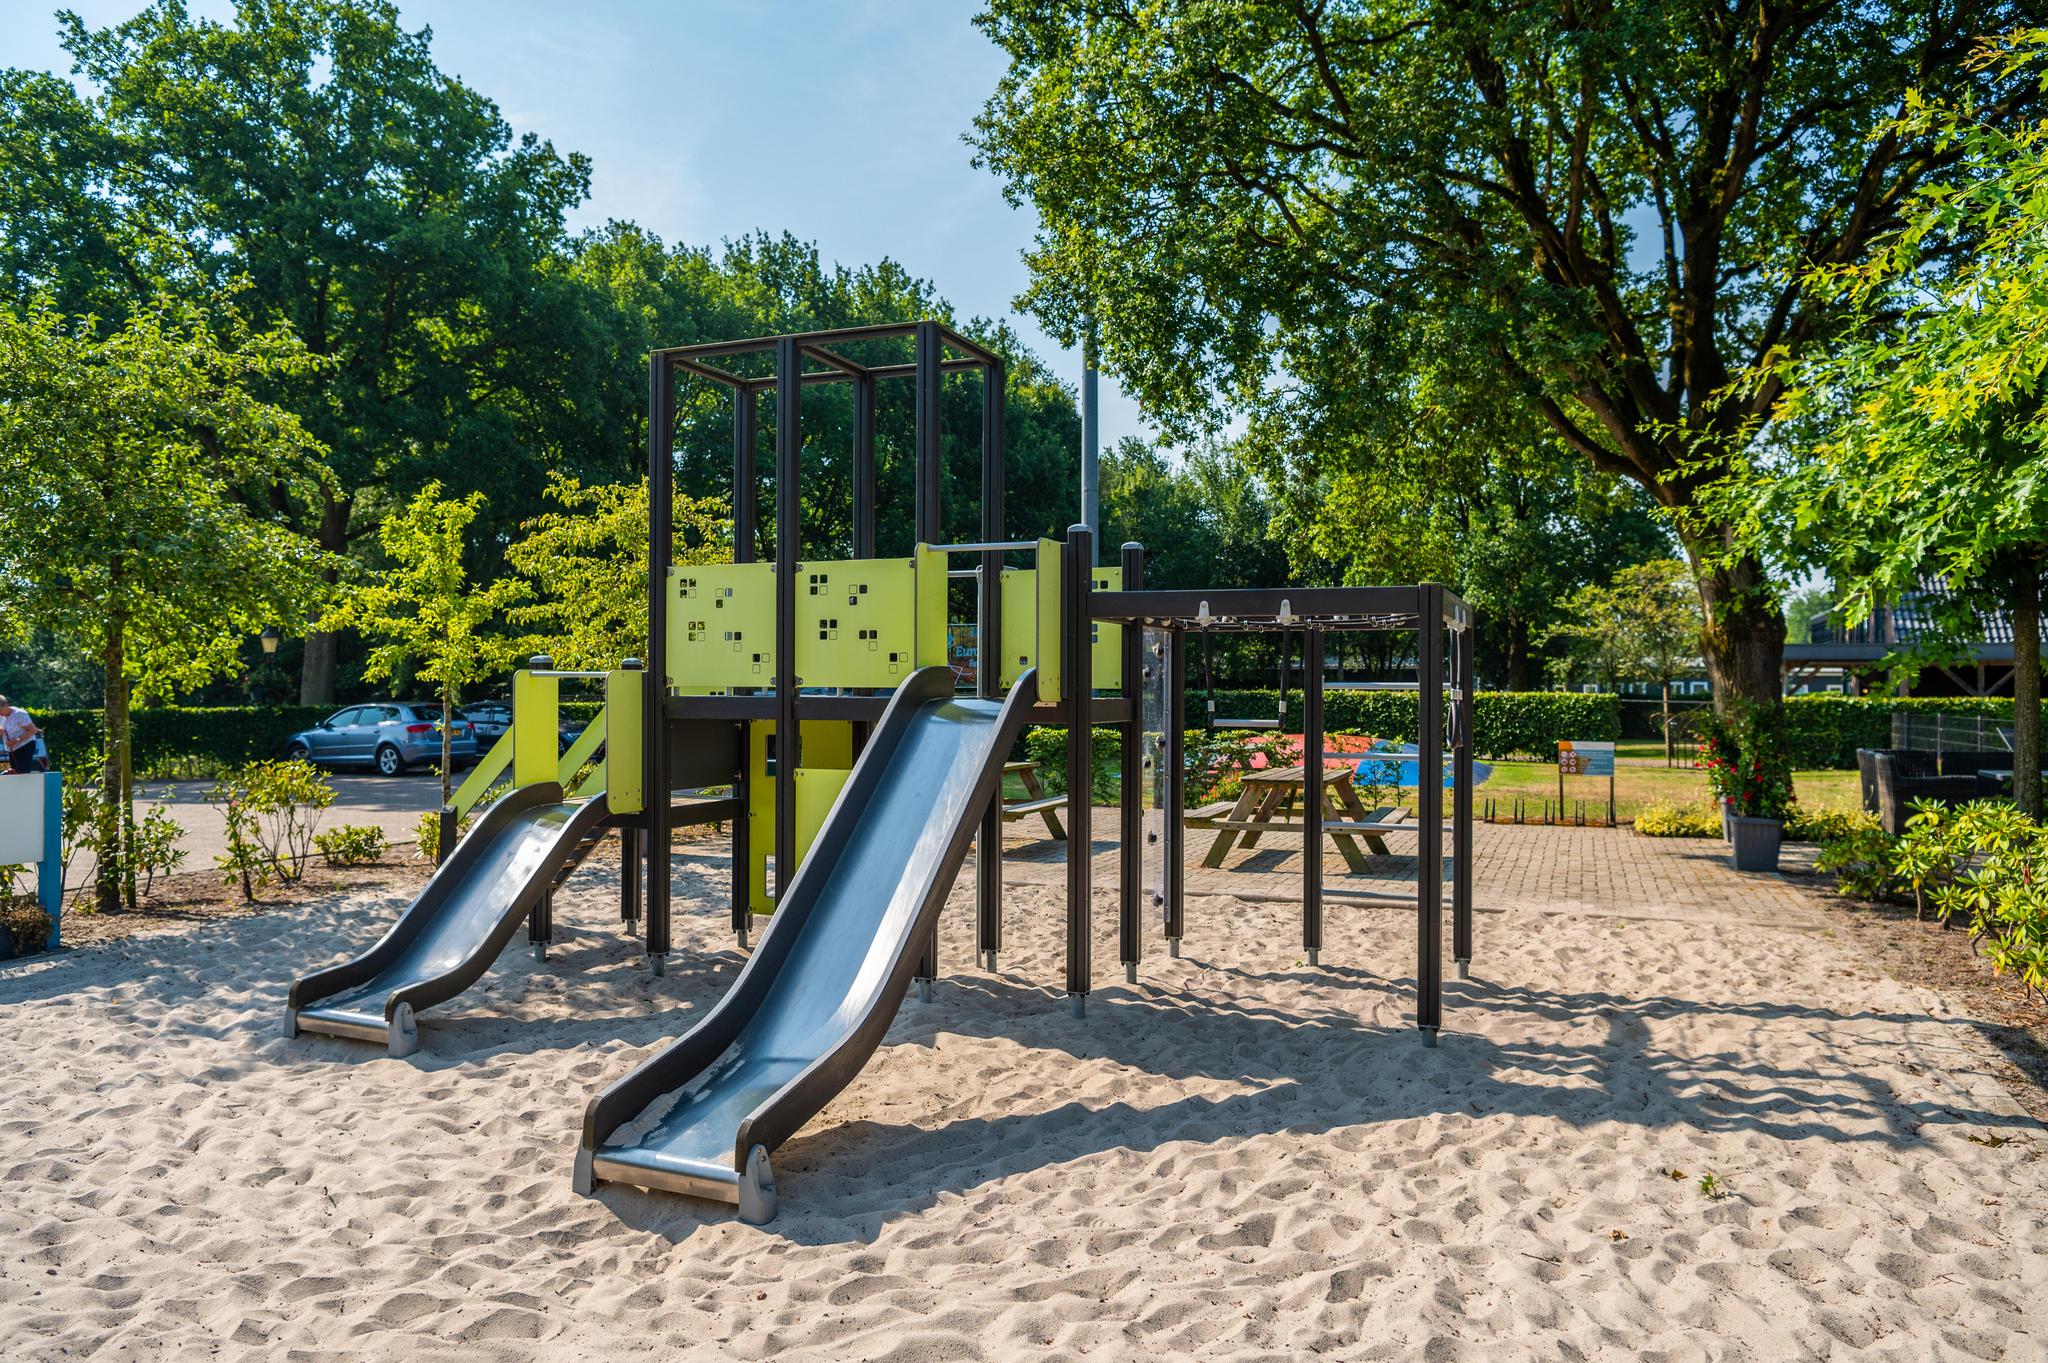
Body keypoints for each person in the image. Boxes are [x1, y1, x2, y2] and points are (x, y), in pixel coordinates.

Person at [0, 695, 41, 774]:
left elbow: (32, 730)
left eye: (0, 710)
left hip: (25, 746)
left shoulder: (20, 714)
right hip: (12, 749)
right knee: (14, 773)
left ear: (6, 705)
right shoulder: (1, 716)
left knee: (22, 773)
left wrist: (16, 740)